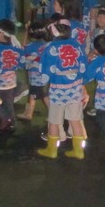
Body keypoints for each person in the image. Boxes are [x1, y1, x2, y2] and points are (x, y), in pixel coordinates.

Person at [37, 20, 90, 160]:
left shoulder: (51, 47)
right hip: (75, 88)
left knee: (54, 120)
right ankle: (78, 151)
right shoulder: (77, 45)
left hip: (57, 89)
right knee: (75, 120)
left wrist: (42, 84)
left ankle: (52, 150)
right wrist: (82, 83)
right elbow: (84, 65)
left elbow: (45, 70)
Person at [17, 21, 50, 121]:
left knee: (40, 95)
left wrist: (26, 31)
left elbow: (23, 47)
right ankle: (28, 113)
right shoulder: (47, 45)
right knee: (37, 94)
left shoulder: (30, 46)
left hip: (35, 77)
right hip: (45, 75)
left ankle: (54, 115)